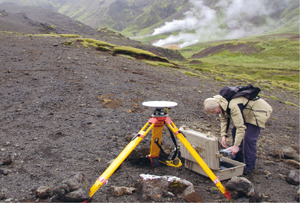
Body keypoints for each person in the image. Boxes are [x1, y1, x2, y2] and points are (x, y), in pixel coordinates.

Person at [203, 94, 272, 175]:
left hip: (259, 112)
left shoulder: (233, 106)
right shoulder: (222, 104)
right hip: (247, 112)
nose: (214, 114)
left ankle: (249, 166)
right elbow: (224, 120)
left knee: (249, 138)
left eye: (213, 111)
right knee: (234, 131)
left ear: (217, 106)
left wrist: (236, 146)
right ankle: (238, 159)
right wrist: (223, 135)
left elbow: (241, 128)